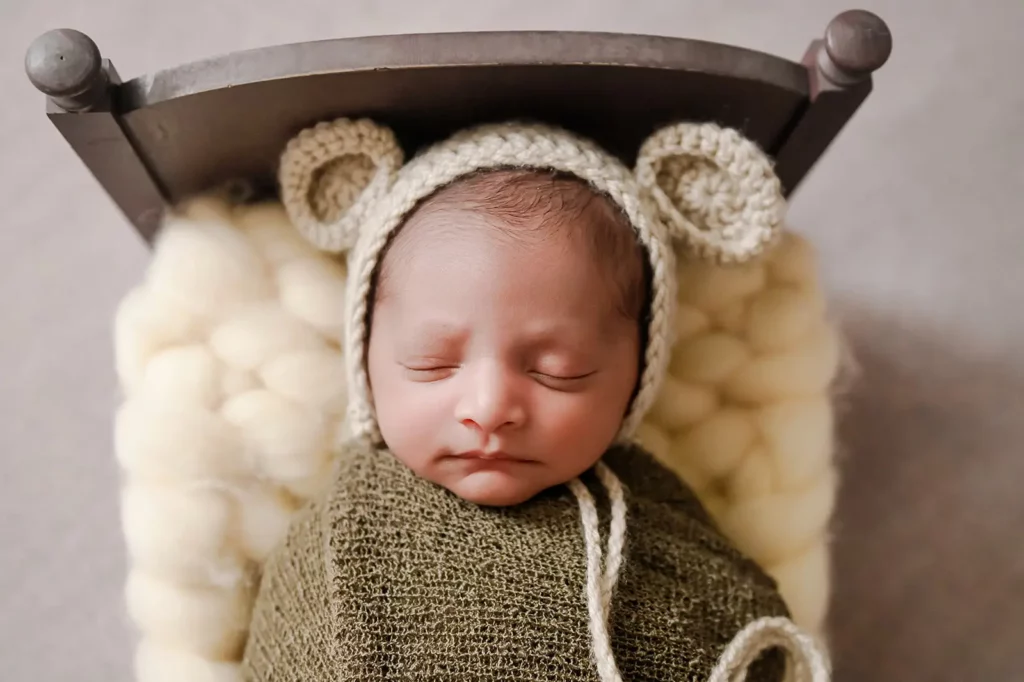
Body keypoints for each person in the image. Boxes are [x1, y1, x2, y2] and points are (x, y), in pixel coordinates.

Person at [240, 119, 829, 681]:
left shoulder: (650, 523)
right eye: (432, 363)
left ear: (634, 377)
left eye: (559, 372)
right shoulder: (340, 540)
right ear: (368, 364)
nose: (490, 407)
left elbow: (744, 627)